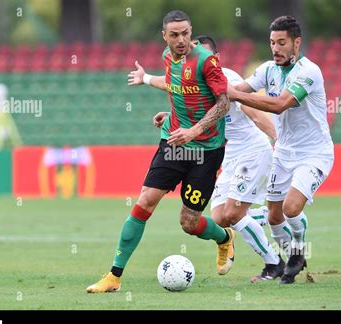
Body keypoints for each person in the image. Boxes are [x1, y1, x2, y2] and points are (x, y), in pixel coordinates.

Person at [86, 10, 233, 293]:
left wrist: (194, 130)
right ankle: (114, 276)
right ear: (164, 36)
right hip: (174, 143)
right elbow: (177, 86)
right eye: (174, 35)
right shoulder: (167, 57)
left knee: (188, 223)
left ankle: (224, 237)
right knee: (145, 201)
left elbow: (223, 103)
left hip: (206, 150)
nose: (181, 40)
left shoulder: (206, 61)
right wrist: (167, 109)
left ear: (191, 32)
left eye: (186, 33)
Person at [130, 35, 286, 282]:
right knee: (221, 218)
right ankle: (273, 216)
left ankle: (274, 264)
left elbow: (255, 115)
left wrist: (278, 141)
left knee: (234, 215)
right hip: (227, 155)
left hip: (251, 151)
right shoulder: (191, 79)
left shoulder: (229, 80)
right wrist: (148, 82)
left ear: (216, 59)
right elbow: (170, 85)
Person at [228, 16, 334, 284]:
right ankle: (291, 260)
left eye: (282, 42)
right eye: (272, 42)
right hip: (284, 152)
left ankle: (297, 252)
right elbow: (235, 91)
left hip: (314, 152)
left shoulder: (309, 72)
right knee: (274, 216)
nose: (275, 48)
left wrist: (235, 95)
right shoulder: (267, 69)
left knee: (291, 207)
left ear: (297, 43)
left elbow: (279, 104)